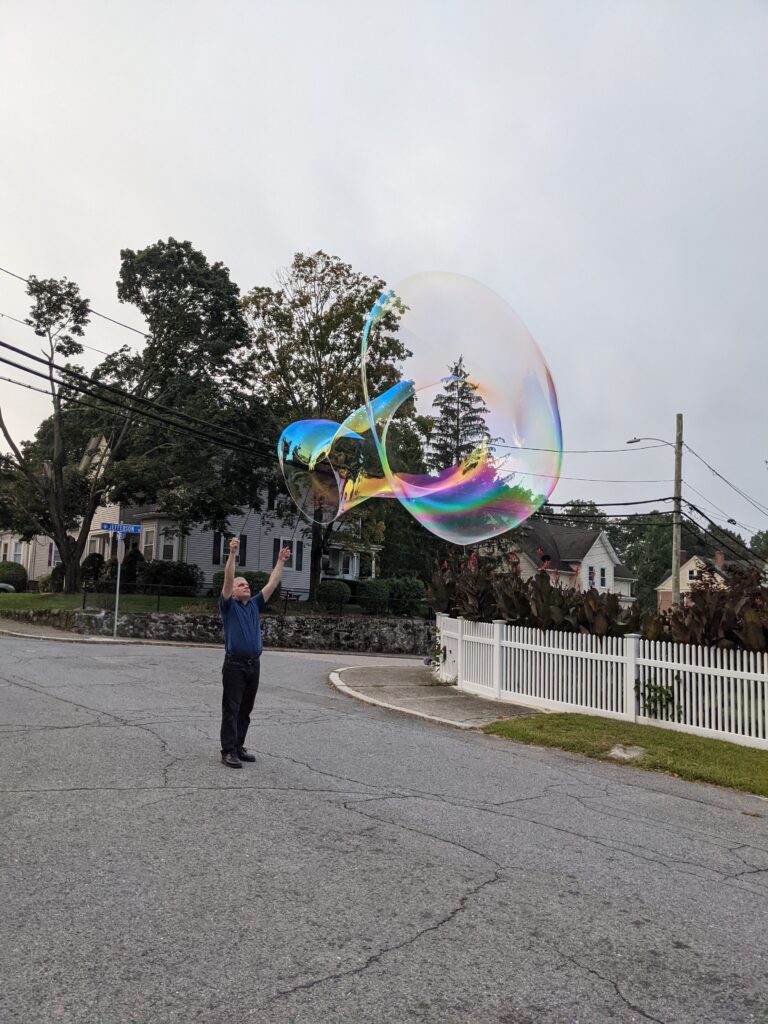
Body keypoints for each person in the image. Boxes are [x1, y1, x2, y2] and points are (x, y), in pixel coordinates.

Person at [218, 536, 291, 768]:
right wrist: (232, 554)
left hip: (253, 664)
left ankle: (239, 746)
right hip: (235, 664)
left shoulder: (255, 604)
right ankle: (228, 750)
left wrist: (280, 561)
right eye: (242, 585)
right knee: (232, 708)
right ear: (233, 591)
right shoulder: (228, 606)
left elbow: (272, 583)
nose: (246, 586)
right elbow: (228, 578)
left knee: (246, 709)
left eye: (247, 584)